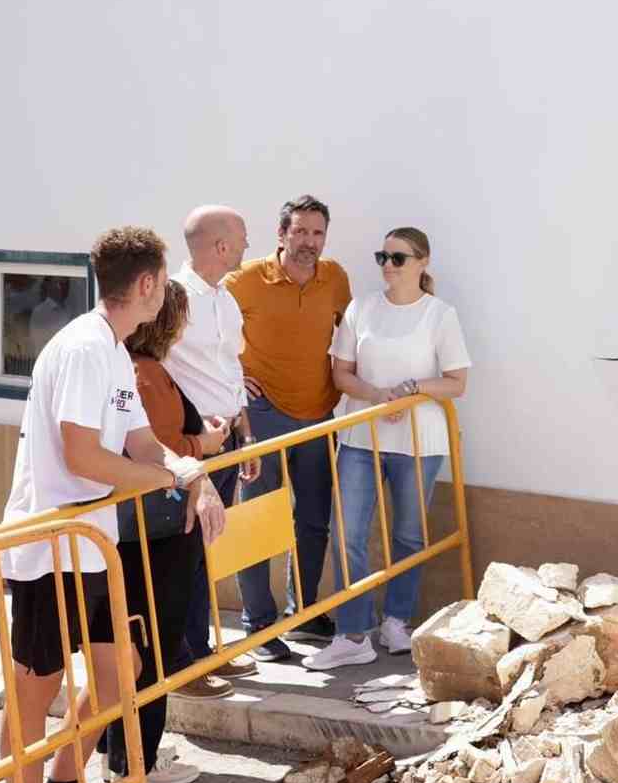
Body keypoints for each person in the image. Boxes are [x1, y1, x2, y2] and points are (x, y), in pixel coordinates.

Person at [0, 227, 225, 783]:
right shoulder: (84, 349)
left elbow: (143, 442)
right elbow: (82, 455)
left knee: (120, 672)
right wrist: (160, 480)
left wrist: (187, 473)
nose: (166, 293)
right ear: (146, 284)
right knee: (34, 691)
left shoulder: (115, 350)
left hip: (91, 545)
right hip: (48, 546)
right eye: (164, 280)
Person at [307, 227, 470, 669]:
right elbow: (342, 373)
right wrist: (381, 397)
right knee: (348, 534)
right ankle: (352, 632)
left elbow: (457, 382)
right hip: (362, 435)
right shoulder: (362, 308)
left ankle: (396, 620)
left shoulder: (440, 314)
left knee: (409, 535)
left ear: (422, 262)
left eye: (398, 257)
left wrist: (410, 389)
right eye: (383, 256)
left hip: (420, 440)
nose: (388, 265)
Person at [97, 280, 230, 783]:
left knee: (132, 647)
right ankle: (137, 764)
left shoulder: (129, 368)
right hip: (158, 531)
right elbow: (159, 446)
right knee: (150, 647)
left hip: (139, 530)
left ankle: (124, 756)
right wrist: (206, 441)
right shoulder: (146, 374)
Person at [225, 195, 351, 660]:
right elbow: (199, 333)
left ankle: (305, 611)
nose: (308, 242)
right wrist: (232, 375)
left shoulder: (334, 278)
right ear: (281, 234)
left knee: (314, 520)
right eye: (299, 232)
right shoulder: (245, 281)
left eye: (317, 233)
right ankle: (259, 626)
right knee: (257, 522)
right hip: (263, 416)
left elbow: (353, 333)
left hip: (319, 413)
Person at [166, 206, 262, 682]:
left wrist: (246, 433)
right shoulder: (172, 300)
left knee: (207, 549)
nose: (248, 245)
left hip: (226, 446)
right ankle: (184, 660)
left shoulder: (226, 298)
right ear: (221, 246)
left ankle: (201, 651)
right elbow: (154, 373)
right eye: (242, 237)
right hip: (188, 452)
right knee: (184, 554)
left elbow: (230, 369)